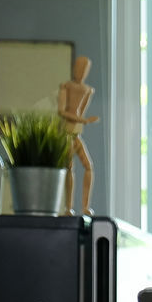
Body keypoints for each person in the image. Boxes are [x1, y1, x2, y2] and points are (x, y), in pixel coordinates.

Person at [58, 55, 101, 215]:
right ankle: (68, 207)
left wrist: (83, 120)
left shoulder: (87, 90)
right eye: (79, 68)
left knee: (88, 166)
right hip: (67, 134)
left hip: (76, 135)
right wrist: (84, 120)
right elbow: (62, 111)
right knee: (69, 168)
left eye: (85, 69)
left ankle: (84, 207)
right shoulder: (66, 87)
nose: (81, 72)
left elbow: (81, 109)